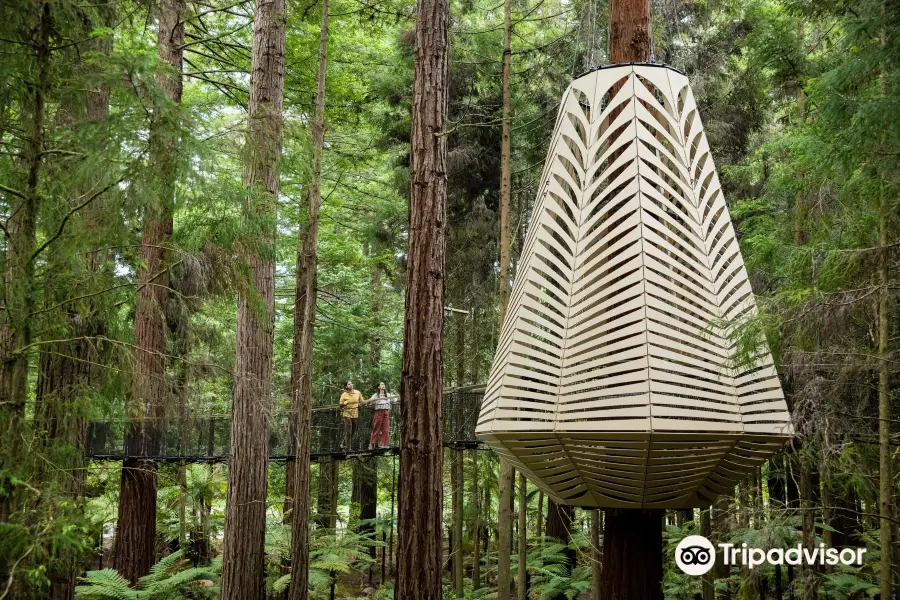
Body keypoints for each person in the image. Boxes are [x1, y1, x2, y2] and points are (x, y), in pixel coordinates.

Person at [368, 382, 395, 449]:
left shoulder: (388, 394)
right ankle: (372, 444)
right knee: (376, 428)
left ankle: (384, 445)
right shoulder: (376, 395)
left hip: (386, 412)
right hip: (378, 412)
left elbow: (396, 399)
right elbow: (370, 402)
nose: (383, 385)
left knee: (385, 429)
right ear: (379, 387)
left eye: (384, 384)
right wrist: (372, 401)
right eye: (382, 384)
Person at [339, 381, 362, 450]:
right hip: (347, 413)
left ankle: (343, 444)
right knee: (349, 430)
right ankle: (348, 448)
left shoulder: (357, 392)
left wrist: (371, 400)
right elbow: (340, 405)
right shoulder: (344, 395)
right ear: (346, 386)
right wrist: (344, 403)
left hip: (354, 413)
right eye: (349, 384)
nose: (351, 384)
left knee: (353, 430)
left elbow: (362, 401)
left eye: (351, 383)